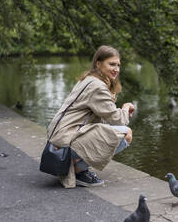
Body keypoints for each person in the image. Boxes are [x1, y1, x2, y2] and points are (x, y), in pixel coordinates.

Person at [46, 45, 135, 188]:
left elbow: (105, 117)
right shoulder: (97, 86)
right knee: (126, 134)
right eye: (112, 64)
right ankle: (78, 169)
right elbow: (119, 119)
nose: (116, 69)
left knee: (109, 130)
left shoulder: (88, 80)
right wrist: (125, 108)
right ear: (98, 64)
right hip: (65, 140)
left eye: (118, 65)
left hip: (59, 136)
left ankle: (77, 164)